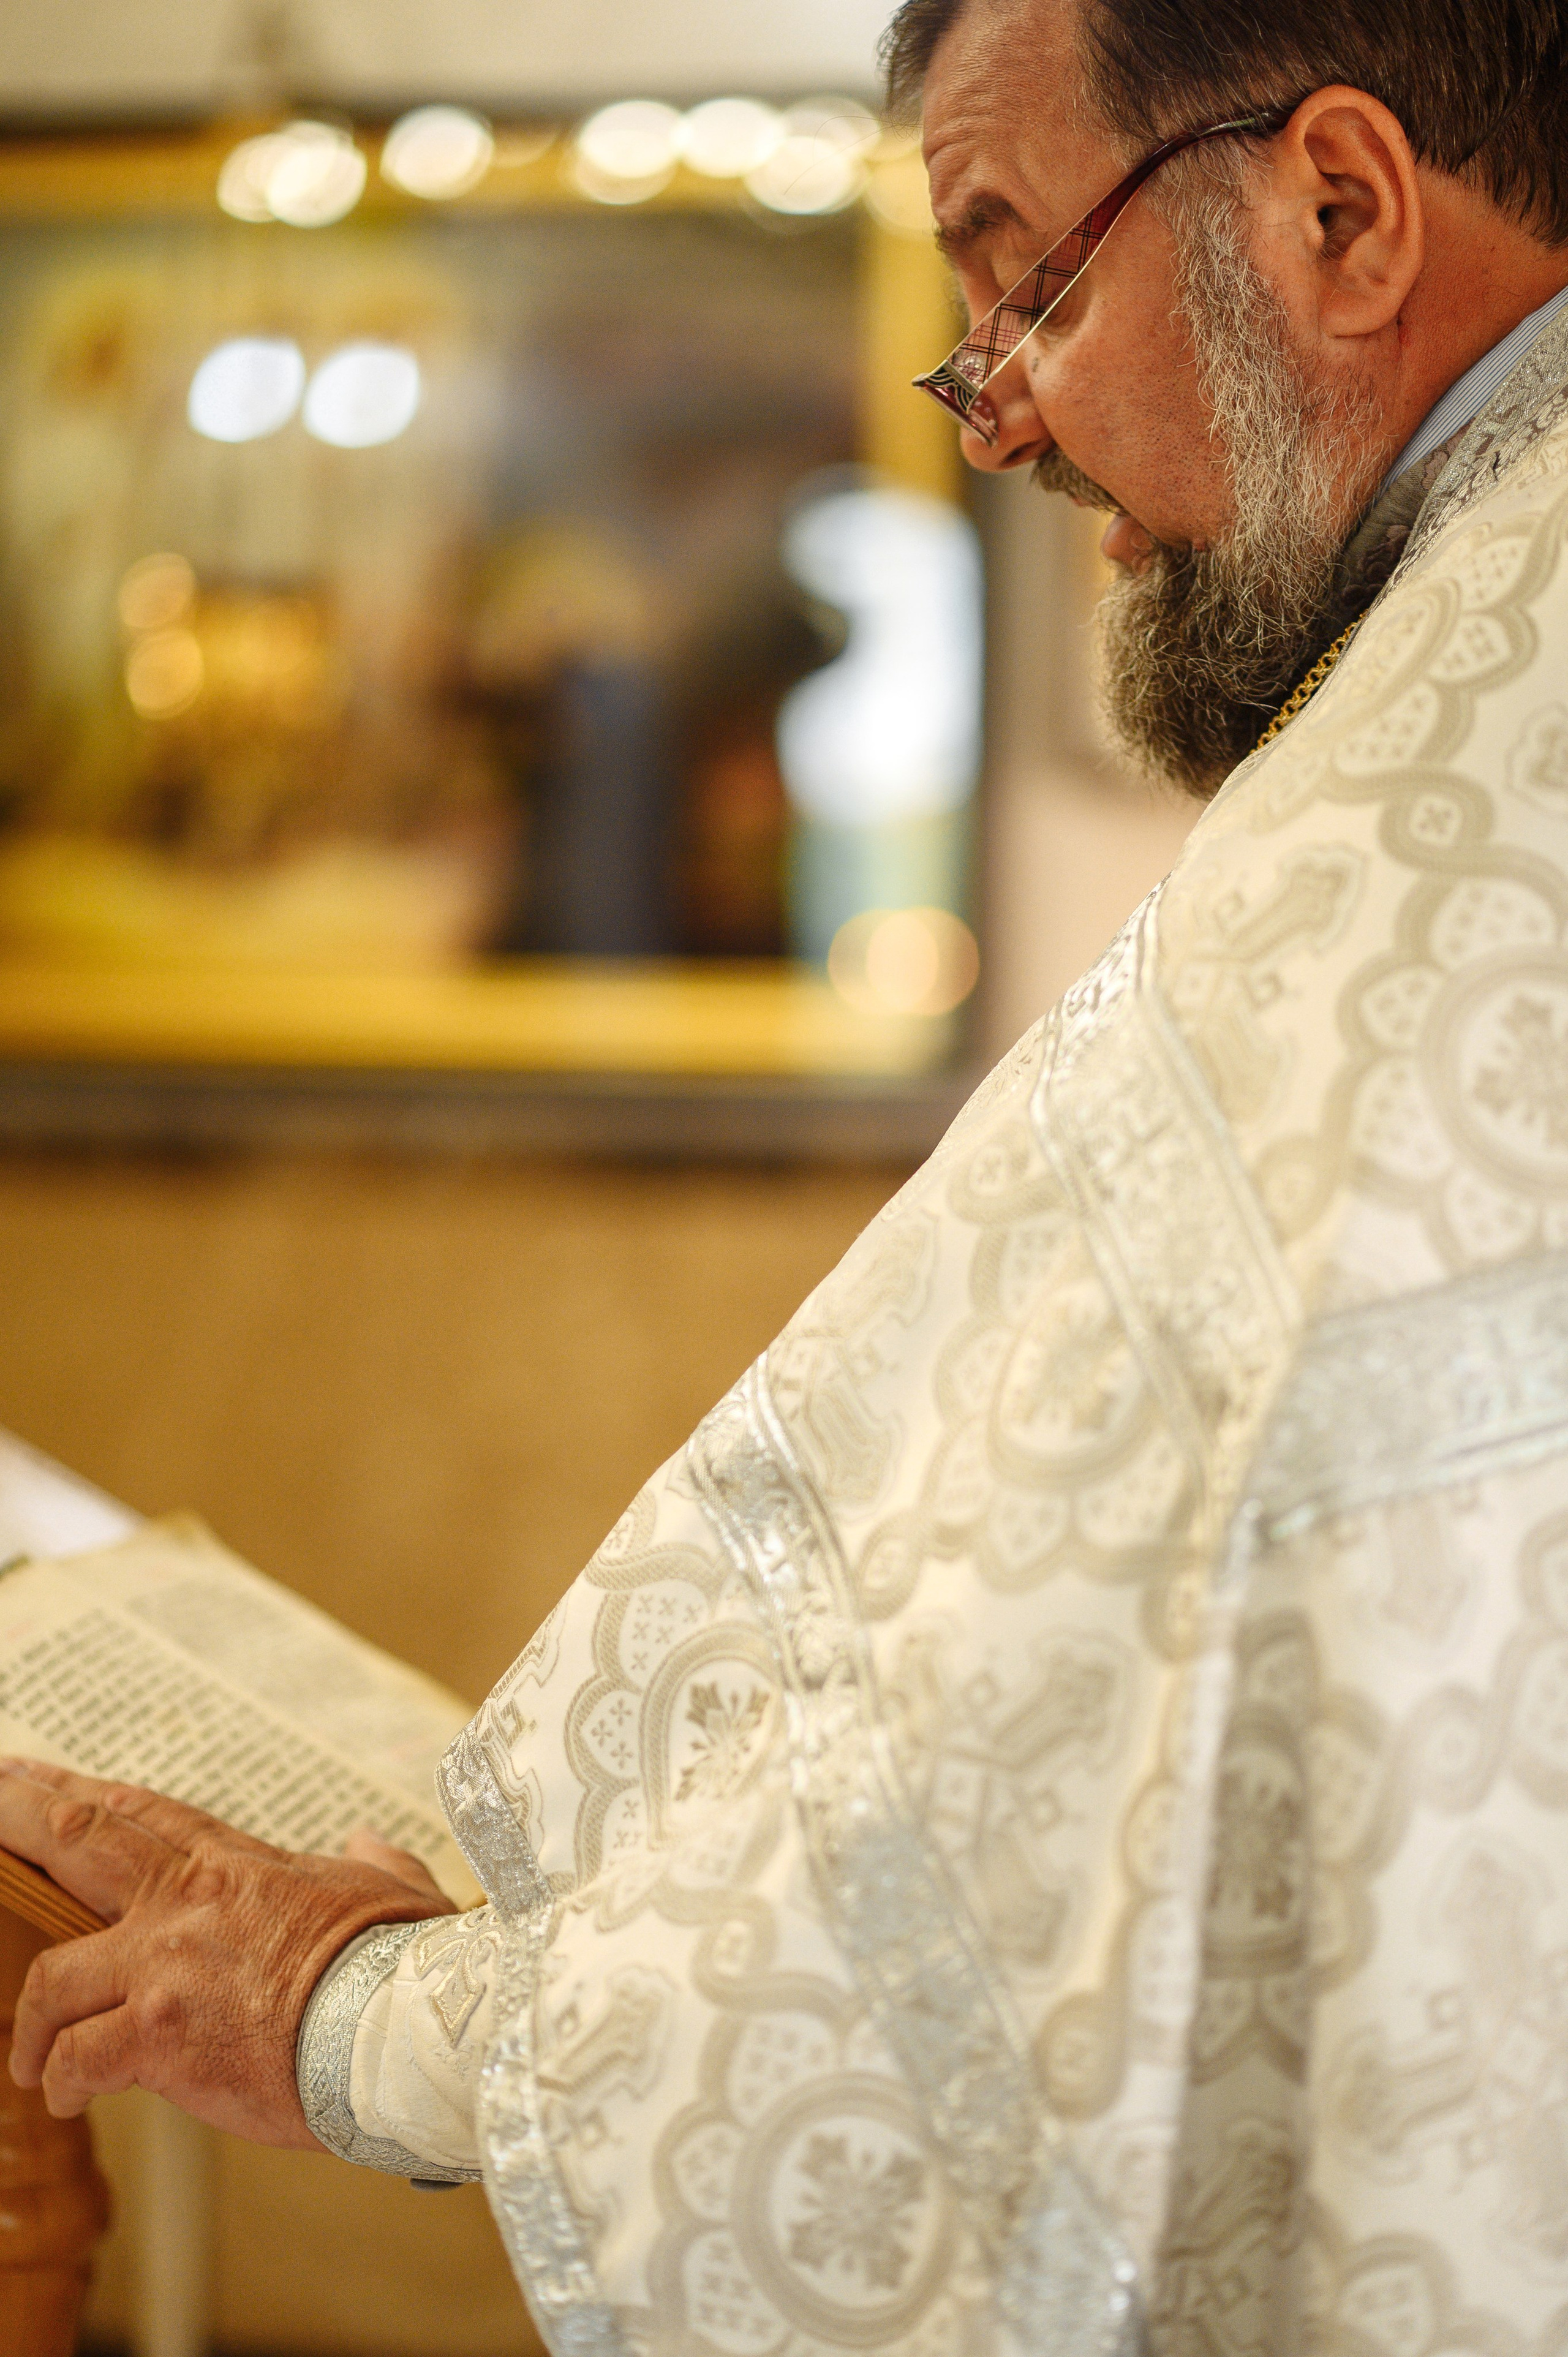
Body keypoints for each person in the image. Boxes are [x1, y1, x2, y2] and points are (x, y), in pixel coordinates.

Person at [6, 1, 1568, 2345]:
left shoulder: (1423, 864)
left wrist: (374, 2018)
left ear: (1337, 211)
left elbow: (1048, 1782)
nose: (1003, 407)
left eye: (1025, 275)